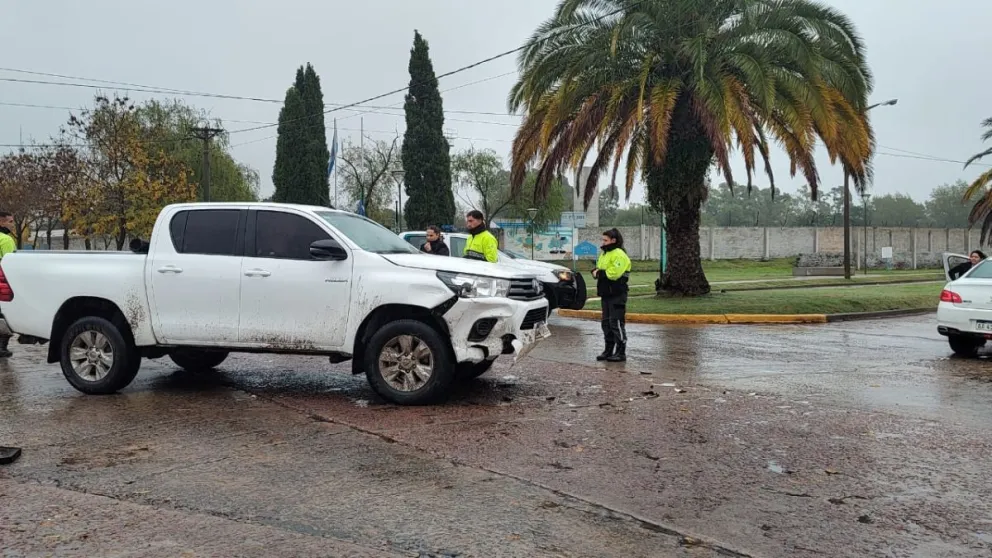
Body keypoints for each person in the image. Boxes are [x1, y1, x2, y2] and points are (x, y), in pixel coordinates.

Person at [592, 228, 632, 362]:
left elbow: (613, 274)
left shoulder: (619, 254)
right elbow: (600, 269)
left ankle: (621, 352)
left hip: (617, 293)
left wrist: (599, 273)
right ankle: (608, 350)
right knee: (606, 323)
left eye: (605, 240)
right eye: (602, 240)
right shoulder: (604, 254)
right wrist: (597, 272)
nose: (602, 243)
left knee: (616, 323)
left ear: (613, 240)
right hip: (606, 293)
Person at [0, 211, 15, 358]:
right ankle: (1, 347)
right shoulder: (5, 240)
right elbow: (10, 264)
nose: (12, 224)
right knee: (5, 314)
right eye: (10, 222)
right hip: (2, 282)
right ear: (1, 222)